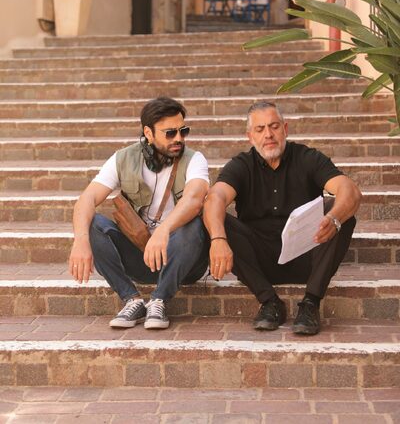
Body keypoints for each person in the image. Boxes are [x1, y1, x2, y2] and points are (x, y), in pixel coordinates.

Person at [203, 101, 362, 335]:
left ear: (285, 129)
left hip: (307, 256)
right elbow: (215, 197)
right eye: (260, 129)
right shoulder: (241, 165)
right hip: (260, 263)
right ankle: (269, 302)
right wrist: (218, 239)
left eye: (274, 126)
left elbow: (349, 190)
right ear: (250, 136)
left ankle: (310, 303)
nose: (268, 134)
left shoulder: (307, 157)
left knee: (341, 212)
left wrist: (334, 217)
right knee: (212, 218)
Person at [69, 97, 210, 330]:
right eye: (170, 133)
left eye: (183, 131)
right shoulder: (123, 159)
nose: (178, 138)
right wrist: (81, 240)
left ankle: (159, 301)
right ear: (148, 133)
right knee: (92, 223)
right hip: (143, 257)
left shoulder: (194, 159)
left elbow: (194, 200)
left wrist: (164, 230)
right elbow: (87, 199)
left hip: (185, 260)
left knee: (193, 225)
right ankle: (132, 300)